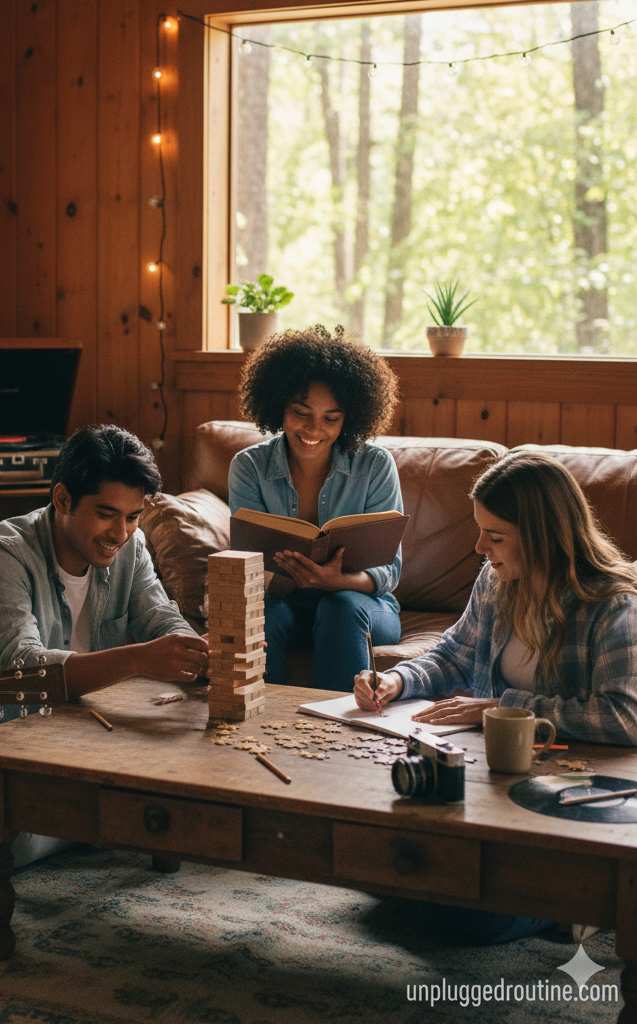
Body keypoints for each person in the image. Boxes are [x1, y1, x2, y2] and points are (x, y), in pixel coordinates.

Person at [353, 449, 637, 942]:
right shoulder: (496, 580)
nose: (480, 545)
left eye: (496, 535)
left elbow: (626, 716)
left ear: (543, 537)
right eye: (480, 528)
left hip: (573, 795)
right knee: (377, 863)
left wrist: (506, 707)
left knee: (455, 915)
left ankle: (579, 907)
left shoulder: (614, 604)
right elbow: (453, 656)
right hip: (500, 783)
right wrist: (397, 680)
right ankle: (549, 896)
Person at [0, 424, 209, 866]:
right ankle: (117, 821)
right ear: (62, 499)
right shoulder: (0, 554)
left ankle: (96, 817)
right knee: (1, 836)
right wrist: (141, 658)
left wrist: (208, 650)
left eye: (133, 516)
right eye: (106, 513)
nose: (121, 532)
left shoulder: (130, 547)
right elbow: (25, 669)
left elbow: (161, 620)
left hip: (94, 746)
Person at [228, 324, 403, 689]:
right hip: (283, 605)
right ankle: (257, 727)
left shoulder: (374, 465)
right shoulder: (249, 467)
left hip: (361, 608)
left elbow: (389, 570)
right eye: (301, 412)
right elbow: (249, 570)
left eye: (331, 418)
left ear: (350, 417)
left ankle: (339, 735)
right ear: (279, 406)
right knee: (259, 614)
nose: (313, 429)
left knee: (340, 607)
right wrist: (294, 581)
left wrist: (337, 582)